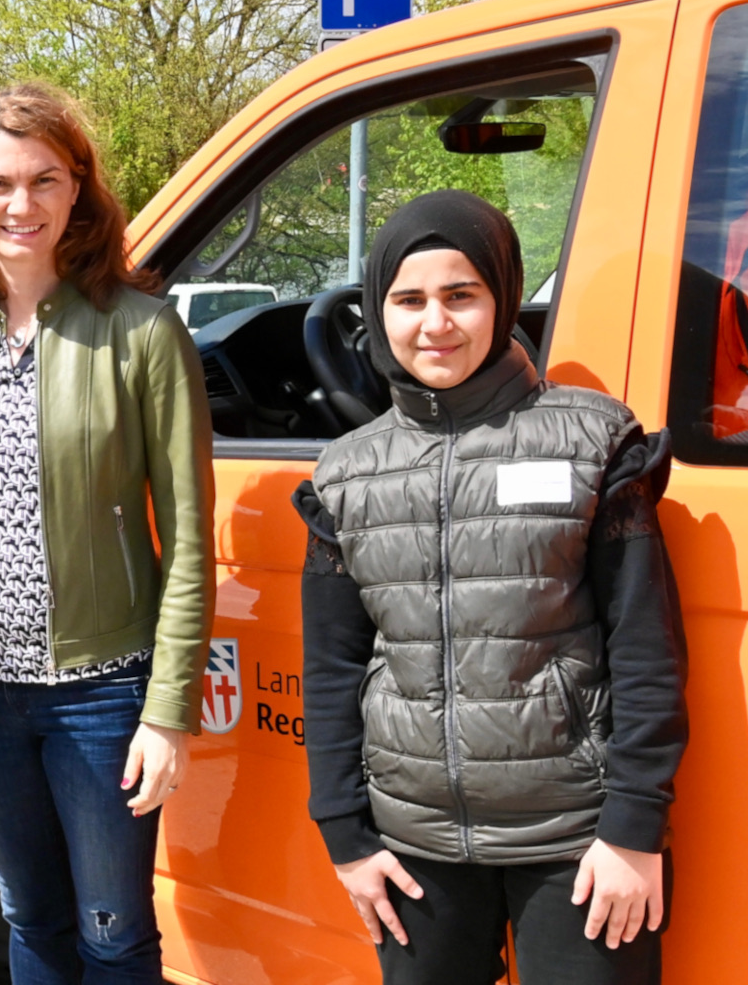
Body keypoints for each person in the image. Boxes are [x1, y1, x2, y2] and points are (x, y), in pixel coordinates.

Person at [293, 190, 687, 985]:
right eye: (408, 300)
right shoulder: (345, 474)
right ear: (378, 308)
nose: (434, 323)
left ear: (501, 299)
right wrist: (346, 836)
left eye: (460, 295)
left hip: (578, 843)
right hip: (413, 851)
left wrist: (633, 831)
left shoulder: (594, 441)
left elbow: (646, 648)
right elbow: (333, 669)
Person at [0, 83, 215, 984]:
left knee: (114, 932)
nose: (20, 205)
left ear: (79, 190)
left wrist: (167, 710)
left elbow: (189, 535)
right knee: (28, 917)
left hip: (103, 691)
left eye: (45, 179)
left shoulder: (142, 332)